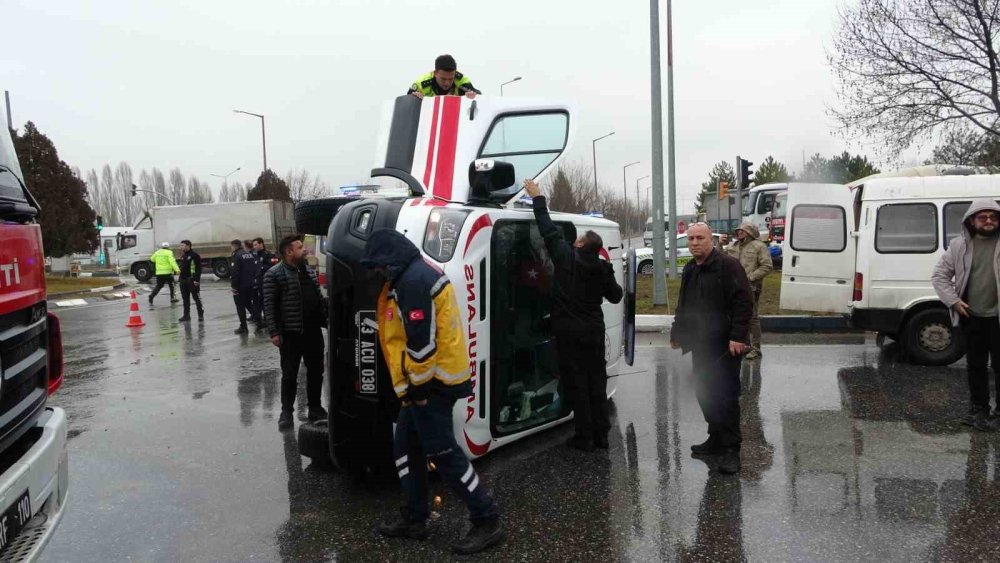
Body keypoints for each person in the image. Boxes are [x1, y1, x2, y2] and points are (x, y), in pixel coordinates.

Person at [360, 228, 503, 555]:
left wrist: (419, 390)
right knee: (406, 448)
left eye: (376, 266)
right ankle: (415, 518)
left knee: (443, 454)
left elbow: (422, 346)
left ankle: (487, 519)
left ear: (388, 260)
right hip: (427, 382)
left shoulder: (412, 281)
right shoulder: (415, 272)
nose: (374, 273)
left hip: (432, 384)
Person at [523, 179, 624, 451]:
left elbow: (547, 230)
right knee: (596, 382)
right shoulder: (602, 268)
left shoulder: (566, 258)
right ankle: (602, 435)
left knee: (577, 384)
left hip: (568, 333)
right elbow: (616, 295)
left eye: (577, 240)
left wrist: (538, 197)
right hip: (593, 331)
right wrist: (607, 271)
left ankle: (585, 437)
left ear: (580, 245)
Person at [670, 223, 753, 475]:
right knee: (704, 393)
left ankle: (731, 450)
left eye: (700, 238)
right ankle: (715, 438)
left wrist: (738, 336)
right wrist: (677, 331)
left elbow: (744, 302)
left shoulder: (728, 267)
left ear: (711, 240)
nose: (694, 243)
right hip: (699, 343)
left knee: (725, 396)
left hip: (725, 345)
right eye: (691, 238)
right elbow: (684, 303)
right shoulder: (690, 269)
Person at [932, 199, 1000, 431]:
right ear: (972, 220)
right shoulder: (959, 246)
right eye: (983, 217)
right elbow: (940, 276)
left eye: (993, 216)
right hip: (972, 316)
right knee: (976, 366)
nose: (989, 221)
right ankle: (978, 409)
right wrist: (953, 301)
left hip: (998, 317)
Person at [262, 235, 328, 430]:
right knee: (289, 374)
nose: (305, 249)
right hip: (291, 334)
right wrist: (274, 332)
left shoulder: (307, 270)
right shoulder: (274, 274)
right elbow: (269, 306)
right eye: (300, 247)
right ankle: (286, 412)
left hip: (312, 331)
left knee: (316, 372)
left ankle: (315, 408)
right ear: (289, 252)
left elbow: (317, 297)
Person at [724, 222, 773, 360]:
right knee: (736, 316)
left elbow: (767, 266)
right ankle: (744, 345)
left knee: (752, 317)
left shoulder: (759, 246)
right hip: (733, 286)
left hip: (751, 286)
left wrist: (751, 277)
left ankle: (756, 349)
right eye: (738, 230)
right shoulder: (733, 245)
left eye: (742, 230)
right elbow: (719, 257)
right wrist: (719, 243)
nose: (739, 232)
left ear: (750, 232)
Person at [407, 54, 481, 99]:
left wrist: (473, 95)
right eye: (443, 79)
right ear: (435, 73)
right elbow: (406, 102)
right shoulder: (421, 83)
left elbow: (478, 94)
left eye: (451, 79)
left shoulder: (462, 80)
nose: (447, 83)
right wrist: (414, 98)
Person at [230, 239, 257, 334]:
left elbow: (235, 273)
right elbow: (254, 268)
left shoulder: (236, 255)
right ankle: (259, 321)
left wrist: (234, 286)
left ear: (234, 246)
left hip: (240, 285)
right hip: (249, 284)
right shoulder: (248, 254)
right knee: (249, 303)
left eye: (231, 246)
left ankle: (243, 326)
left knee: (240, 306)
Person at [177, 240, 204, 322]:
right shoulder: (183, 256)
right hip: (183, 280)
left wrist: (196, 280)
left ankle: (200, 314)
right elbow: (182, 268)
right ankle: (186, 315)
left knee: (196, 298)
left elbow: (198, 269)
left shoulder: (194, 255)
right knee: (185, 299)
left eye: (182, 245)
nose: (181, 247)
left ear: (188, 246)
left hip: (191, 280)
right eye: (180, 245)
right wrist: (180, 279)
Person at [252, 237, 275, 330]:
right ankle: (258, 320)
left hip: (265, 282)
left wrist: (261, 267)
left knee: (266, 302)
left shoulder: (267, 255)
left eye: (256, 244)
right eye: (253, 245)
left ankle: (268, 319)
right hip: (256, 283)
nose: (254, 247)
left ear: (261, 244)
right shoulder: (254, 255)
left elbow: (271, 267)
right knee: (257, 302)